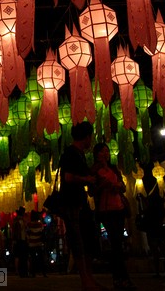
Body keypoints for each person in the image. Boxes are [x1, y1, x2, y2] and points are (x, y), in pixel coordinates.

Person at [59, 121, 104, 291]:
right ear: (86, 137)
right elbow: (69, 177)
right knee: (78, 241)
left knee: (87, 240)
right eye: (90, 137)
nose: (91, 140)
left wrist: (99, 165)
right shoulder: (70, 153)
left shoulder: (79, 154)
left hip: (80, 202)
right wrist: (87, 180)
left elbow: (85, 173)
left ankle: (90, 279)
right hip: (71, 203)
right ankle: (85, 281)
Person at [91, 142, 134, 290]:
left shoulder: (114, 168)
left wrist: (119, 186)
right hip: (106, 210)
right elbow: (92, 191)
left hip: (119, 208)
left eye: (107, 151)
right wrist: (103, 186)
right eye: (102, 151)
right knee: (116, 244)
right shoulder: (94, 171)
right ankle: (123, 278)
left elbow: (123, 185)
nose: (106, 154)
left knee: (118, 244)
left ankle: (118, 278)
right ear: (96, 154)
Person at [140, 172, 165, 278]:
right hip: (159, 230)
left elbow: (145, 218)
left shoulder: (149, 210)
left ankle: (158, 272)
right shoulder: (160, 209)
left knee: (156, 252)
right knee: (163, 251)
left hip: (152, 232)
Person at [26, 210, 47, 277]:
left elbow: (27, 233)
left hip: (31, 243)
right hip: (39, 243)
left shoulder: (29, 224)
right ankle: (44, 272)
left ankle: (33, 273)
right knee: (41, 258)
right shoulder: (40, 224)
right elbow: (42, 232)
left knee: (33, 258)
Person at [11, 206, 28, 276]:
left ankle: (20, 271)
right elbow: (16, 231)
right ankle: (21, 271)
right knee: (21, 255)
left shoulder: (18, 220)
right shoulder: (20, 221)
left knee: (18, 256)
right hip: (20, 240)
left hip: (20, 239)